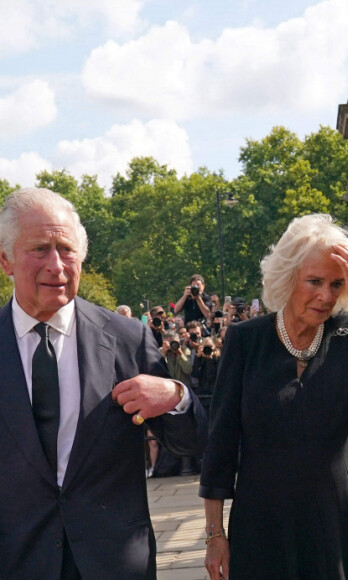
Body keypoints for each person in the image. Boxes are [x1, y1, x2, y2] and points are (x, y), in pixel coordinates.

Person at [0, 187, 208, 579]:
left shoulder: (127, 339)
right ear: (5, 259)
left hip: (113, 564)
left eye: (67, 249)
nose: (57, 265)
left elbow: (191, 444)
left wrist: (176, 398)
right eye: (40, 249)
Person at [200, 213, 348, 580]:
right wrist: (215, 534)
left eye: (336, 284)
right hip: (263, 525)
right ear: (288, 277)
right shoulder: (245, 340)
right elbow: (220, 442)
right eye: (314, 281)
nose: (326, 296)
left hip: (342, 520)